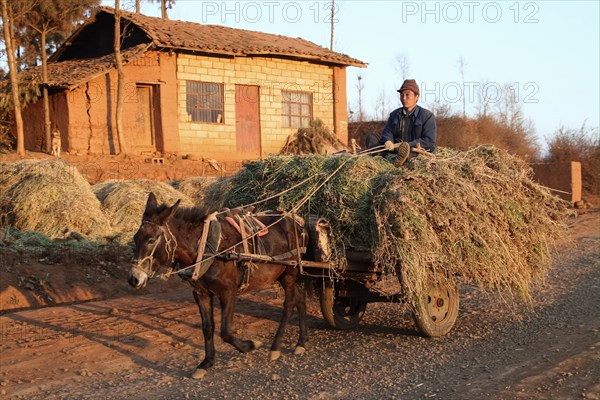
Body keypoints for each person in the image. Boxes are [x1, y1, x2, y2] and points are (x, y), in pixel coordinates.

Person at [366, 79, 436, 166]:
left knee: (412, 152)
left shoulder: (427, 116)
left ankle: (399, 159)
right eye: (401, 95)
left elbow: (429, 141)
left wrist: (405, 145)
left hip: (413, 149)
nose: (404, 98)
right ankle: (383, 158)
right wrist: (388, 141)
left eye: (407, 95)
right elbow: (387, 132)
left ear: (416, 97)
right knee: (372, 136)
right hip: (394, 149)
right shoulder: (394, 115)